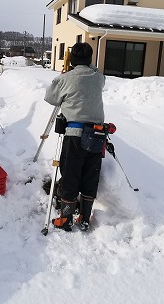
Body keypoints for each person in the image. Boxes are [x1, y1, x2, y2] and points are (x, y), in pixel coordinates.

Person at [44, 42, 105, 232]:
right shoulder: (99, 78)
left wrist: (63, 75)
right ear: (89, 59)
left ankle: (66, 218)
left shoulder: (66, 78)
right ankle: (85, 218)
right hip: (97, 135)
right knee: (90, 176)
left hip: (75, 136)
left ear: (72, 59)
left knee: (70, 175)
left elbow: (50, 97)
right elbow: (97, 74)